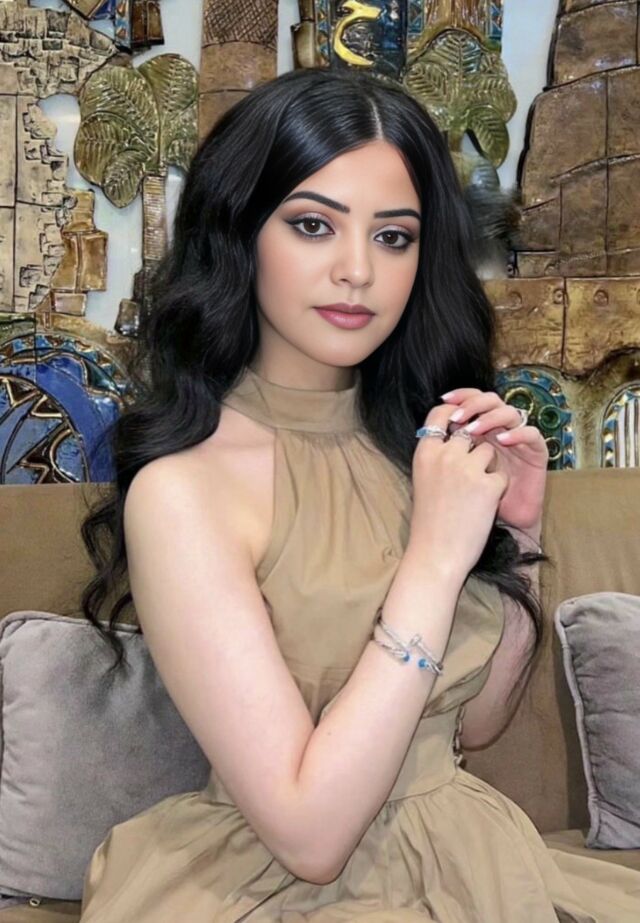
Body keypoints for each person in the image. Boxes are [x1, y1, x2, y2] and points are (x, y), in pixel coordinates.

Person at [78, 67, 640, 921]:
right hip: (275, 885)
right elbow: (310, 836)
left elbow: (472, 726)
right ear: (240, 233)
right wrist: (435, 558)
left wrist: (518, 534)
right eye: (313, 225)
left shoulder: (422, 447)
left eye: (394, 237)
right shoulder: (183, 490)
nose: (357, 271)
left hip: (467, 856)